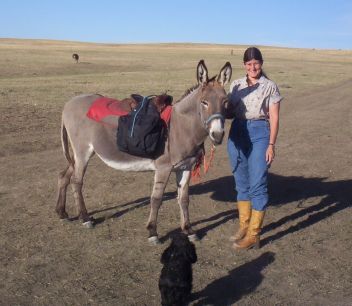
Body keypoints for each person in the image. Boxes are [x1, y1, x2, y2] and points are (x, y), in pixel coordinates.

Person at [226, 47, 283, 250]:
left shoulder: (270, 86)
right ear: (244, 65)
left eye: (256, 63)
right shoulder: (236, 85)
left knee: (257, 183)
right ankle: (244, 226)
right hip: (237, 132)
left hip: (260, 133)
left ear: (261, 63)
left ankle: (254, 234)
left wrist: (271, 144)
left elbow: (274, 117)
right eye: (249, 64)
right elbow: (229, 113)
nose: (253, 67)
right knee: (241, 183)